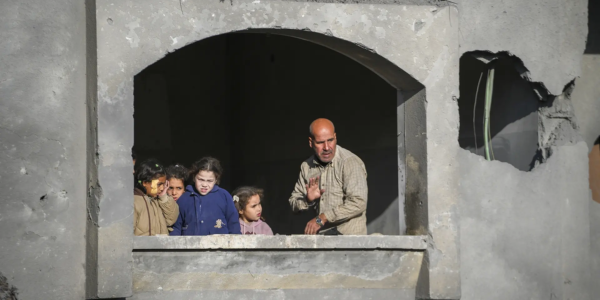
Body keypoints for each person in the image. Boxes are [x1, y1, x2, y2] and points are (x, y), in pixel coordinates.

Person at [289, 118, 368, 235]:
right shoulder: (306, 167)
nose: (326, 147)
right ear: (311, 142)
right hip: (322, 242)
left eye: (330, 140)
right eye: (320, 142)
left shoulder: (349, 162)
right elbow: (293, 203)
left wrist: (322, 218)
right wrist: (307, 200)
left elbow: (358, 203)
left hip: (350, 243)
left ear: (335, 137)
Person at [170, 157, 241, 235]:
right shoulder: (184, 199)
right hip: (191, 246)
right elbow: (176, 227)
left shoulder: (224, 196)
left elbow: (233, 225)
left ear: (216, 180)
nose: (204, 185)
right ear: (194, 177)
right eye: (201, 180)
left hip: (219, 246)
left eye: (210, 181)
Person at [133, 159, 180, 236]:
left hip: (159, 247)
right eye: (159, 184)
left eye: (164, 184)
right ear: (145, 183)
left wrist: (164, 197)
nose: (162, 188)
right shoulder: (134, 203)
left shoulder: (158, 200)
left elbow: (171, 219)